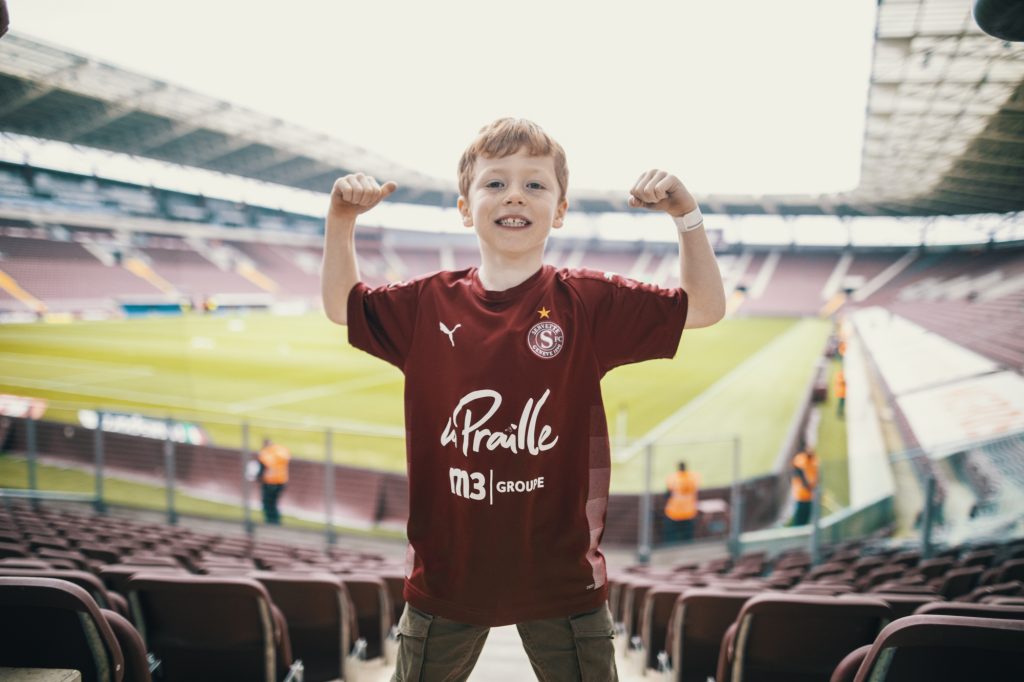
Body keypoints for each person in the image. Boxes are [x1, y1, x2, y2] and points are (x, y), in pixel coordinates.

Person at [321, 118, 726, 681]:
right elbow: (345, 306)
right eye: (495, 183)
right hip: (447, 574)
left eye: (535, 184)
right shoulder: (426, 304)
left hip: (561, 578)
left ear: (560, 210)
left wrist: (686, 216)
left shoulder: (586, 302)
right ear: (465, 207)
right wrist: (341, 220)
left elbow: (704, 307)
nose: (514, 194)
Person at [256, 437, 290, 525]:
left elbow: (262, 468)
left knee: (268, 502)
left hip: (270, 482)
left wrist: (257, 478)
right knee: (274, 502)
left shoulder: (265, 454)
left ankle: (270, 520)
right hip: (282, 481)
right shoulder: (282, 451)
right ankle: (276, 520)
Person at [664, 461, 699, 544]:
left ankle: (671, 549)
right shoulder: (693, 477)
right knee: (687, 536)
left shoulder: (673, 478)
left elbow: (667, 494)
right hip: (690, 512)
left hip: (674, 513)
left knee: (671, 536)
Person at [790, 446, 819, 526]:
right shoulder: (800, 460)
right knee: (799, 521)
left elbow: (816, 477)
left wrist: (812, 485)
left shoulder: (815, 461)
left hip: (810, 497)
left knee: (807, 520)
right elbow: (799, 474)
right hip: (800, 497)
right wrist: (807, 485)